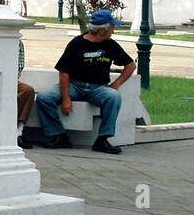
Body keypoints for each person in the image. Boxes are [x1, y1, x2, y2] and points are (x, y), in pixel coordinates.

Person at [35, 10, 136, 155]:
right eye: (112, 28)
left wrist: (116, 84)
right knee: (45, 97)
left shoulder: (110, 45)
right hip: (74, 85)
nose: (113, 31)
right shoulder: (77, 43)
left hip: (98, 88)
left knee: (113, 97)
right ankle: (57, 135)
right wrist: (66, 98)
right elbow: (64, 72)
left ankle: (103, 139)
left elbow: (130, 65)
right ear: (102, 30)